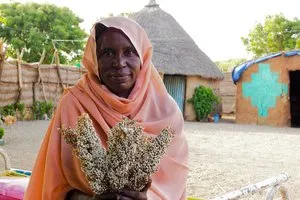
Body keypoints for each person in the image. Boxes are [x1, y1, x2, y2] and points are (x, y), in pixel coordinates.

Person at [24, 16, 188, 200]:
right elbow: (53, 184)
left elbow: (174, 184)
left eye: (129, 52)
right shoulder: (74, 103)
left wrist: (146, 198)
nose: (119, 63)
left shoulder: (167, 112)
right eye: (107, 53)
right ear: (95, 59)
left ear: (143, 57)